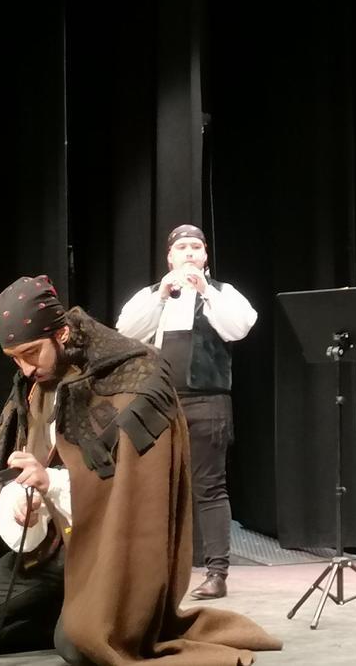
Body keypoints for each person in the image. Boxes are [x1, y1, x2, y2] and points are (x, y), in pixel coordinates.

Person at [0, 275, 280, 663]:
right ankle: (65, 615)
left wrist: (52, 482)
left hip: (111, 553)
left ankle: (77, 622)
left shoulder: (136, 376)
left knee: (81, 646)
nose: (25, 368)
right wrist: (24, 503)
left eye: (30, 353)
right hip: (49, 552)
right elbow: (24, 466)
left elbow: (135, 491)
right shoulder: (34, 386)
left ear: (63, 333)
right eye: (14, 358)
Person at [116, 224, 257, 600]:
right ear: (170, 257)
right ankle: (157, 570)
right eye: (182, 248)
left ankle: (217, 572)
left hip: (208, 401)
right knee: (156, 486)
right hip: (161, 401)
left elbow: (240, 327)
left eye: (197, 247)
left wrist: (205, 290)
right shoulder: (152, 296)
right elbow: (126, 331)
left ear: (206, 256)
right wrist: (161, 295)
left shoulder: (222, 294)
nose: (190, 253)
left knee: (209, 487)